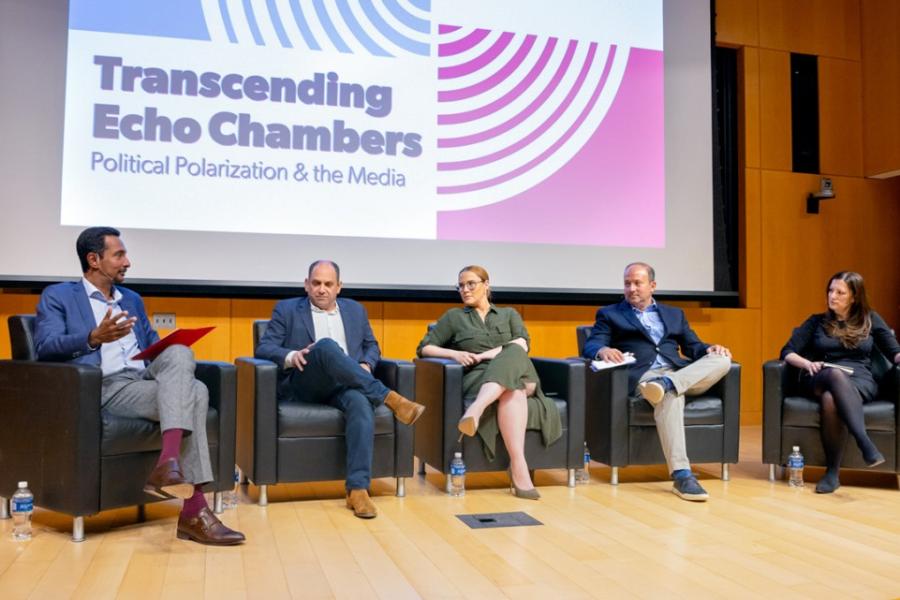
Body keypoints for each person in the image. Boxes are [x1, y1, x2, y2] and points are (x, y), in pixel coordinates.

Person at [33, 227, 245, 545]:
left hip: (142, 379)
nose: (127, 262)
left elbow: (152, 348)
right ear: (93, 260)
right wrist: (93, 337)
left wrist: (172, 346)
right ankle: (193, 511)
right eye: (119, 255)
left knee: (179, 353)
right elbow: (45, 345)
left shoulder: (130, 299)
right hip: (103, 387)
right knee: (197, 392)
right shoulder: (60, 296)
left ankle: (168, 465)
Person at [255, 260, 425, 518]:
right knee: (324, 346)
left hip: (347, 384)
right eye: (316, 283)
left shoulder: (355, 311)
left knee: (359, 402)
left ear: (339, 287)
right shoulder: (287, 309)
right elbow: (264, 348)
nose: (321, 289)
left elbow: (372, 346)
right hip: (306, 382)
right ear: (306, 285)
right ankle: (389, 397)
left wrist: (366, 364)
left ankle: (358, 490)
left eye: (328, 284)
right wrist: (291, 355)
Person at [581, 262, 732, 501]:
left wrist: (709, 348)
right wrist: (603, 349)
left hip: (678, 372)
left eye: (637, 283)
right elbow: (591, 344)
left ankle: (668, 383)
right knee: (670, 397)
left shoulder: (674, 314)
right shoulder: (610, 314)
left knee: (723, 359)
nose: (631, 288)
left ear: (652, 285)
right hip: (645, 376)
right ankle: (682, 475)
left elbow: (693, 347)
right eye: (627, 283)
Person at [417, 265, 562, 500]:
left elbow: (523, 345)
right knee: (512, 391)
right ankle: (518, 466)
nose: (465, 289)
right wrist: (455, 355)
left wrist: (487, 354)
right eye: (461, 286)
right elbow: (425, 348)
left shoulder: (509, 314)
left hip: (522, 374)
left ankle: (477, 408)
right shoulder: (454, 317)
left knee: (514, 350)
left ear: (486, 285)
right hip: (481, 378)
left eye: (471, 284)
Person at [781, 271, 900, 494]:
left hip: (859, 379)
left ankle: (832, 473)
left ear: (854, 297)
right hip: (820, 375)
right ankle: (864, 442)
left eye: (840, 292)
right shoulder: (816, 322)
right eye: (830, 291)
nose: (832, 296)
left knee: (830, 399)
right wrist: (806, 363)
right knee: (834, 375)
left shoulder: (870, 319)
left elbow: (894, 352)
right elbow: (786, 352)